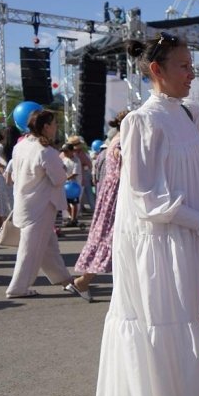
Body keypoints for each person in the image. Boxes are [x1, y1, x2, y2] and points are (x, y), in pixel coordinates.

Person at [94, 32, 199, 396]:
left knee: (196, 319)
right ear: (156, 70)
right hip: (164, 243)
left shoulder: (188, 114)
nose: (191, 73)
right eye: (183, 66)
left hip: (193, 236)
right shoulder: (141, 121)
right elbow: (147, 198)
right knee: (168, 316)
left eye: (191, 65)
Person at [5, 110, 84, 300]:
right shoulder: (46, 151)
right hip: (40, 205)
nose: (56, 127)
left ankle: (64, 280)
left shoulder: (20, 146)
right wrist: (63, 169)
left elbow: (13, 176)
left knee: (48, 246)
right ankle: (17, 288)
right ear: (46, 127)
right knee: (30, 249)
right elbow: (58, 179)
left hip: (25, 201)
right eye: (54, 123)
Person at [72, 111, 128, 301]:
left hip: (111, 194)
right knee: (112, 239)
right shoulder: (121, 143)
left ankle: (85, 281)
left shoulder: (115, 140)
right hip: (118, 195)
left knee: (111, 239)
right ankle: (84, 281)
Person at [60, 143, 81, 226]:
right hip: (65, 185)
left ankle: (73, 219)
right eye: (63, 152)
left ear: (72, 151)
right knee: (66, 202)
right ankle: (71, 217)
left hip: (73, 185)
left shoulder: (76, 160)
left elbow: (75, 173)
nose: (64, 153)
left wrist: (66, 178)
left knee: (74, 202)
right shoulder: (64, 159)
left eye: (66, 151)